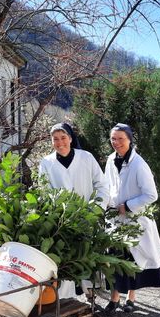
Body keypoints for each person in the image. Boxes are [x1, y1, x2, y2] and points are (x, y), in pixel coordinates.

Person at [38, 122, 109, 299]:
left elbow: (101, 185)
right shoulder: (47, 163)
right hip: (61, 220)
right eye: (55, 139)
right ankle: (66, 299)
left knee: (87, 254)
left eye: (63, 138)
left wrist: (96, 209)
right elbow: (43, 191)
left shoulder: (86, 158)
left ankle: (91, 293)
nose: (60, 142)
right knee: (66, 258)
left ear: (70, 138)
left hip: (87, 216)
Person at [103, 123, 160, 314]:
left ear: (129, 139)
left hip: (135, 220)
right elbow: (107, 186)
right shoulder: (110, 160)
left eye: (121, 138)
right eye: (113, 138)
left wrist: (128, 206)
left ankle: (131, 298)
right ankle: (114, 300)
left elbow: (151, 195)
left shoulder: (139, 164)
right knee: (115, 259)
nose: (116, 142)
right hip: (115, 220)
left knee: (134, 260)